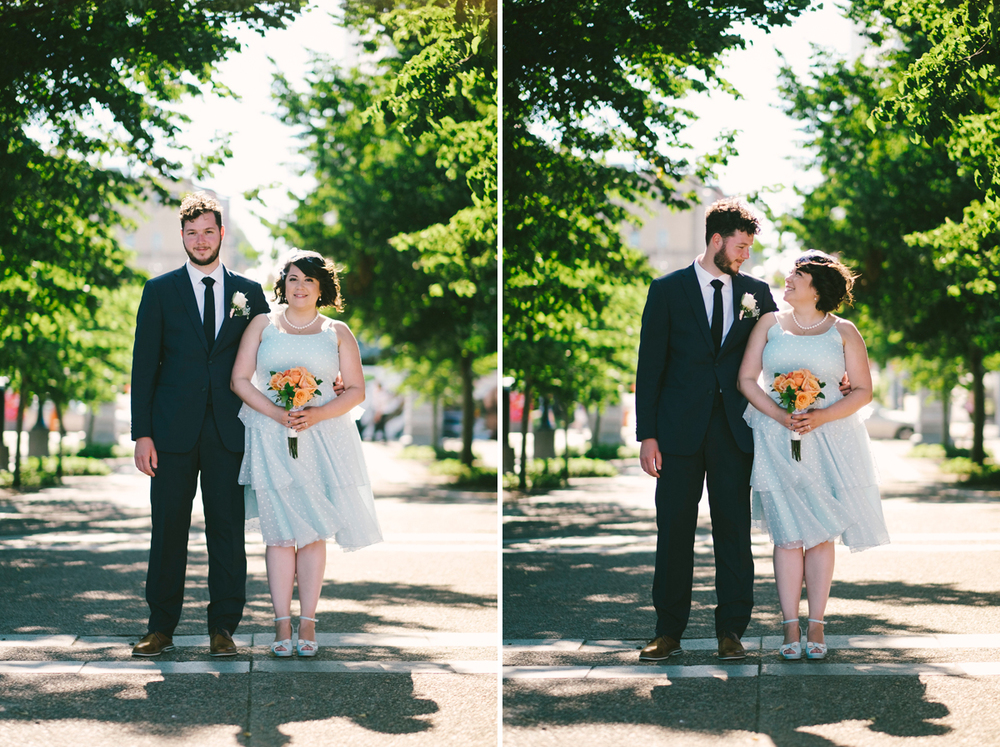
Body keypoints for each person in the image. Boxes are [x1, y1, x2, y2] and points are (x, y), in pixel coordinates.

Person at [635, 198, 778, 662]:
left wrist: (833, 375)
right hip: (676, 434)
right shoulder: (667, 290)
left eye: (749, 248)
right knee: (673, 529)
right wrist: (647, 434)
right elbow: (650, 366)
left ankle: (731, 630)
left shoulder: (757, 293)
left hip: (736, 434)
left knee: (733, 532)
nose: (745, 256)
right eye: (739, 246)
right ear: (716, 240)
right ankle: (667, 631)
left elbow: (781, 353)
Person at [130, 192, 269, 657]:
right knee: (167, 527)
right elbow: (143, 367)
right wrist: (142, 433)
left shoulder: (248, 292)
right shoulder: (159, 291)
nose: (201, 239)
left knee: (227, 531)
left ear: (221, 233)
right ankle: (161, 627)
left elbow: (265, 359)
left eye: (209, 231)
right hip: (170, 433)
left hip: (230, 431)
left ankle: (223, 628)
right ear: (182, 237)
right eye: (192, 232)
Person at [737, 252, 889, 660]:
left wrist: (819, 416)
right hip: (775, 438)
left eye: (797, 274)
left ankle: (817, 624)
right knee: (787, 535)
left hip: (828, 440)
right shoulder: (768, 324)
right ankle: (789, 625)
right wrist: (782, 415)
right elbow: (747, 380)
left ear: (818, 286)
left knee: (821, 533)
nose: (787, 278)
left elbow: (862, 390)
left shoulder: (843, 331)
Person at [230, 251, 382, 657]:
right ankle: (281, 623)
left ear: (321, 288)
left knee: (313, 531)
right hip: (269, 435)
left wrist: (315, 414)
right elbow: (241, 380)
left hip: (321, 439)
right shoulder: (262, 325)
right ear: (283, 284)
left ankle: (309, 624)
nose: (299, 286)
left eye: (308, 281)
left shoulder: (337, 332)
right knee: (279, 533)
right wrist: (279, 414)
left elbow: (355, 390)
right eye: (293, 278)